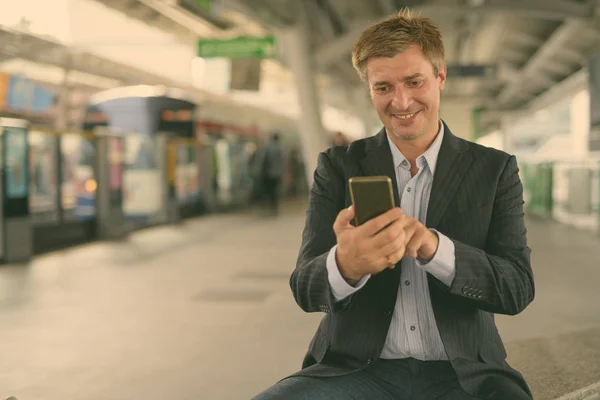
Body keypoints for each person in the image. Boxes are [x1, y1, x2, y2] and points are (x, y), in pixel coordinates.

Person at [254, 9, 534, 400]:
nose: (400, 102)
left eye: (414, 81)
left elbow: (517, 288)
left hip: (464, 374)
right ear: (369, 88)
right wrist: (344, 266)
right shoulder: (337, 167)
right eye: (382, 87)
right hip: (355, 371)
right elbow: (305, 287)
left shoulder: (494, 170)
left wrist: (435, 249)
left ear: (440, 77)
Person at [259, 133, 285, 215]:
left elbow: (263, 160)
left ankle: (270, 207)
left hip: (269, 174)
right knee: (275, 191)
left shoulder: (268, 148)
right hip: (277, 174)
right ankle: (275, 207)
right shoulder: (280, 149)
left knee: (269, 191)